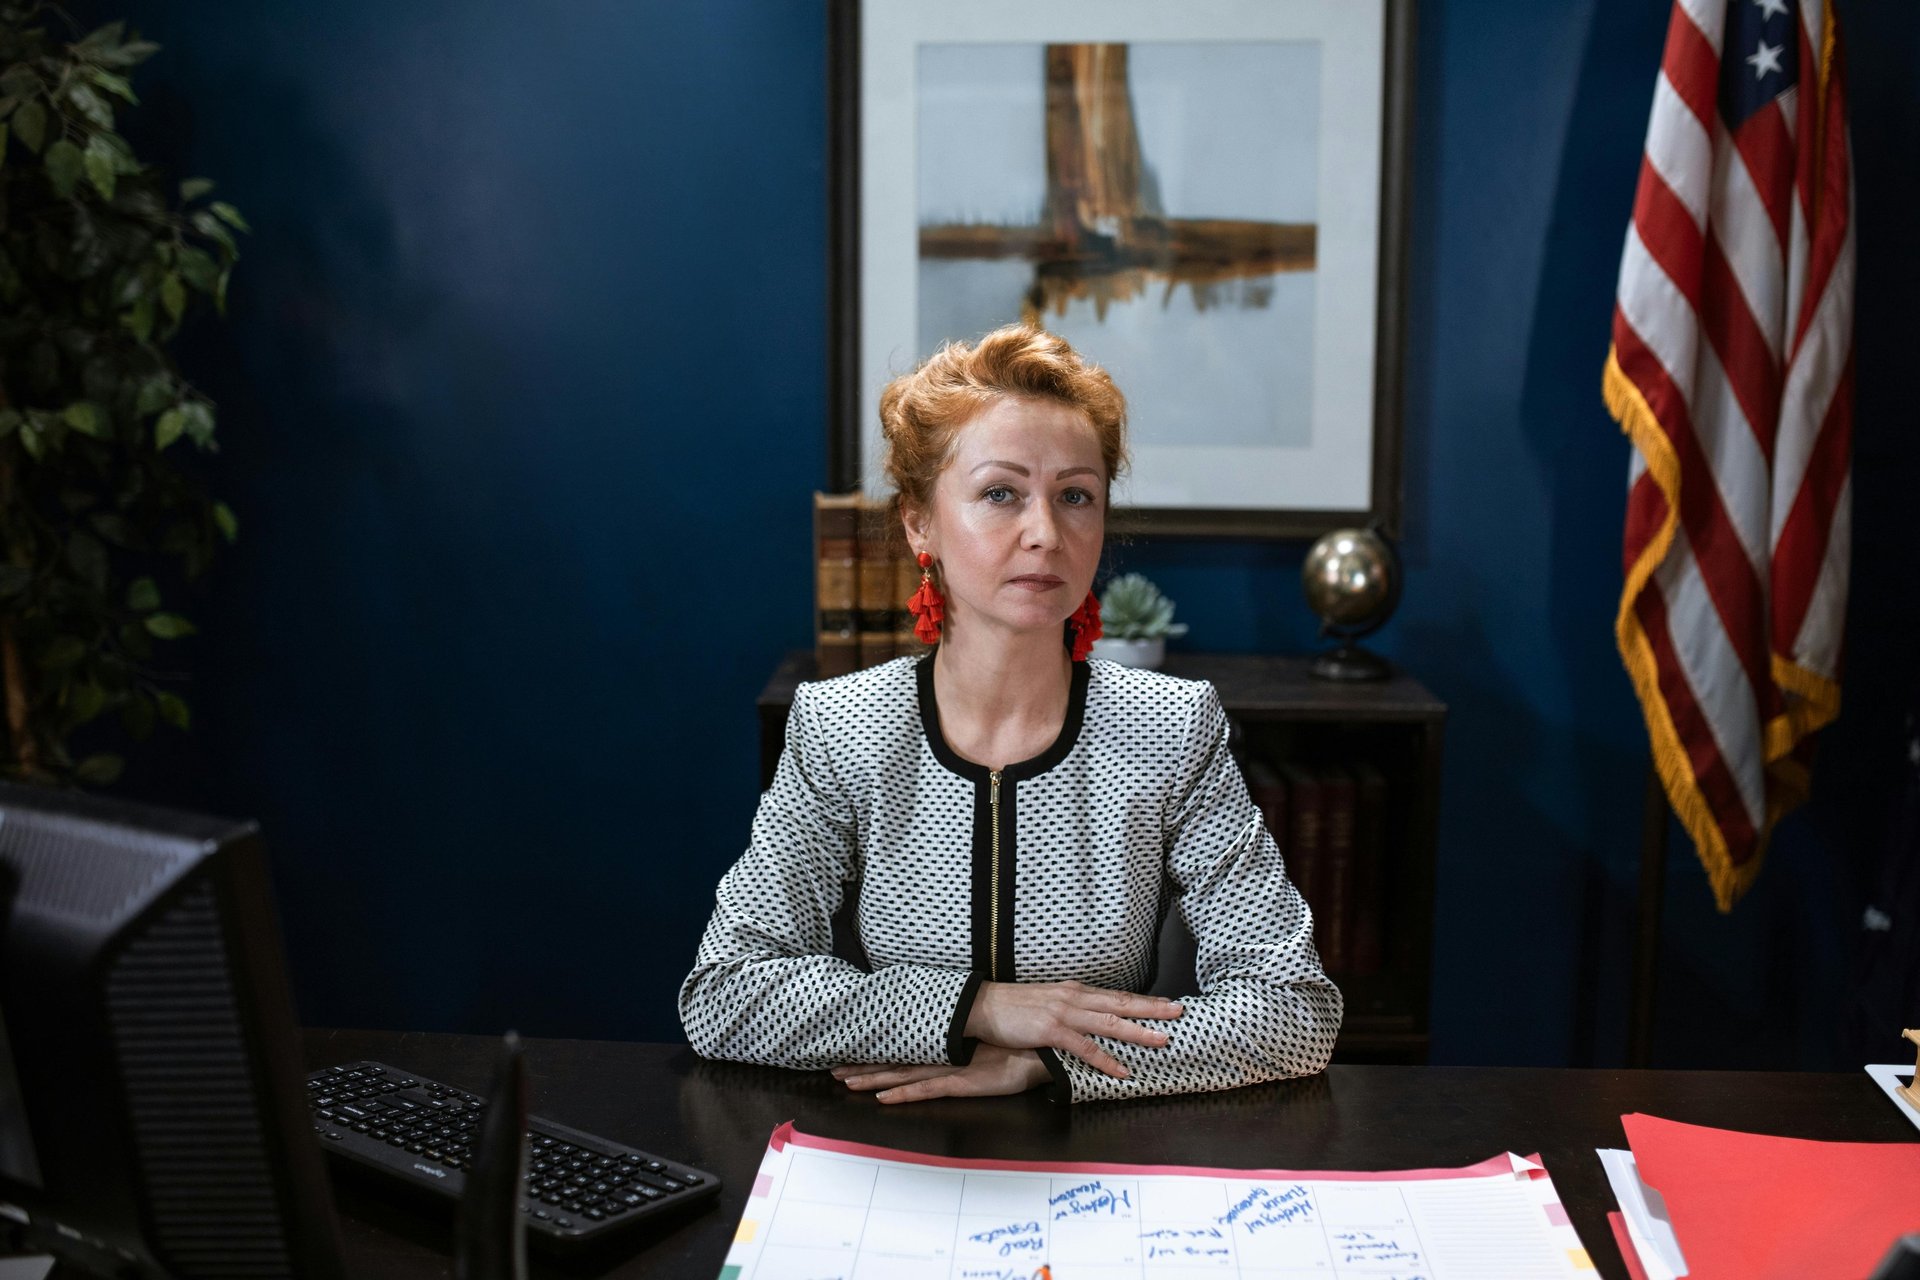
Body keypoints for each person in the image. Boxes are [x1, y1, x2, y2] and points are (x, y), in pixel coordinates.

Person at [679, 324, 1342, 1103]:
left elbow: (1295, 1012)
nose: (1045, 534)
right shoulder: (842, 725)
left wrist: (1050, 1061)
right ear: (919, 522)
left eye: (1075, 496)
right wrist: (980, 1009)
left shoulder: (1170, 727)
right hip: (894, 1142)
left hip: (1096, 1142)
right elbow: (724, 993)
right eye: (1001, 493)